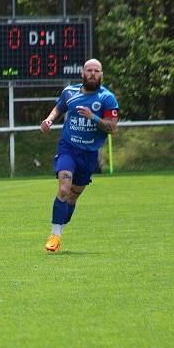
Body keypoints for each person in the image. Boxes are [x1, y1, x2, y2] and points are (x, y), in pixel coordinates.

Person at [40, 58, 119, 252]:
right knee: (64, 190)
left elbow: (111, 128)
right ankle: (54, 236)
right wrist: (49, 120)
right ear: (82, 74)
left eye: (96, 71)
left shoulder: (107, 99)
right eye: (89, 70)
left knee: (73, 196)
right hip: (68, 148)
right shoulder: (70, 92)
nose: (92, 74)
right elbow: (60, 107)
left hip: (89, 154)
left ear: (101, 75)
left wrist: (93, 117)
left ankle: (60, 230)